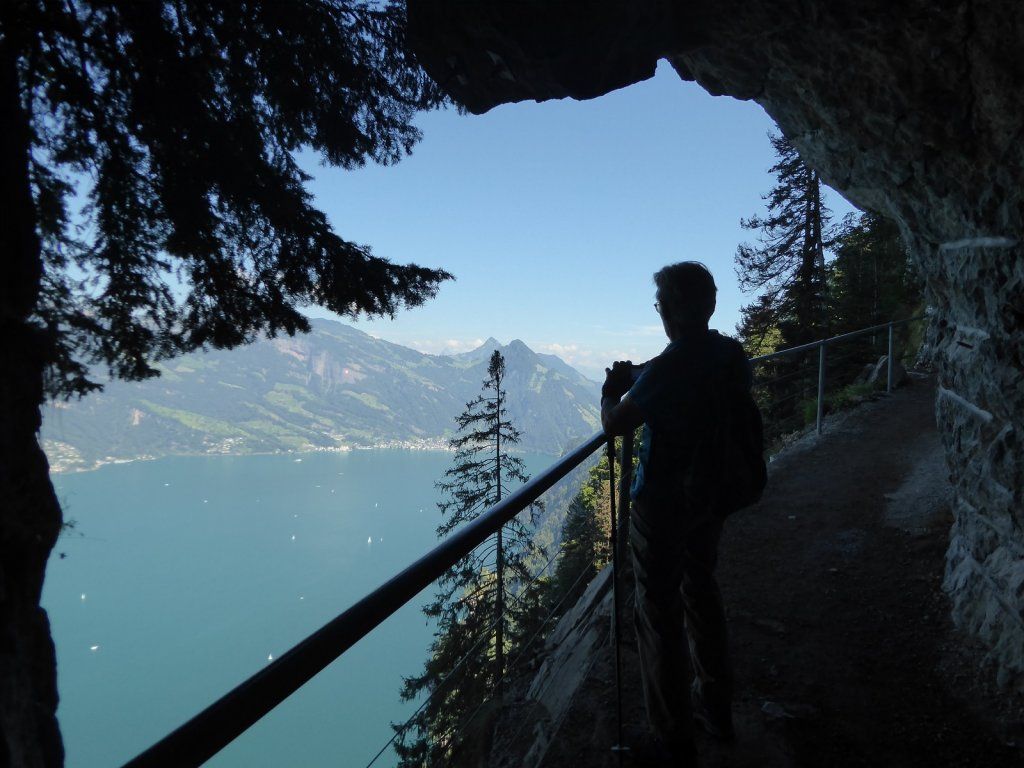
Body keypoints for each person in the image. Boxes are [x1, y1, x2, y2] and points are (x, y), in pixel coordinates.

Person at [601, 262, 760, 765]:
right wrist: (643, 373)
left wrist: (610, 391)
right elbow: (682, 372)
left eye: (660, 305)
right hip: (711, 494)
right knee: (701, 590)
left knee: (658, 612)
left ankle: (672, 737)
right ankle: (715, 706)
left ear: (668, 309)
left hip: (664, 504)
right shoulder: (729, 353)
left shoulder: (672, 367)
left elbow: (617, 424)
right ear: (710, 305)